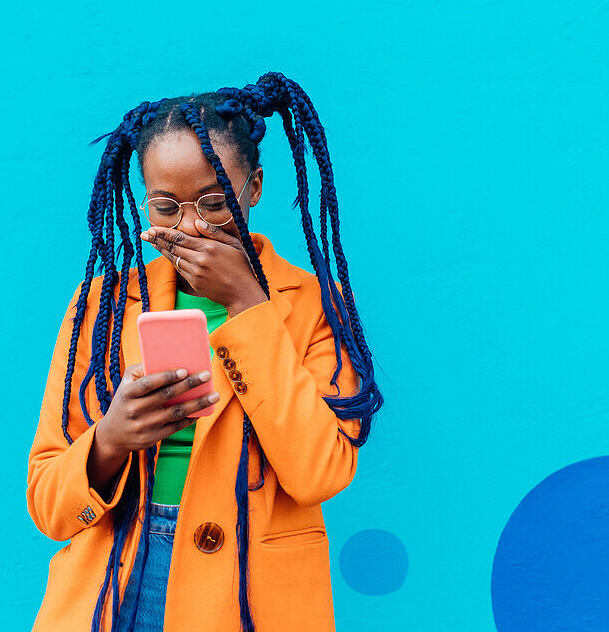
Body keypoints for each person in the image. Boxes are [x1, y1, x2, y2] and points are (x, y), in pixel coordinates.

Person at [25, 72, 383, 631]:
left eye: (214, 203)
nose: (189, 226)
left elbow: (320, 473)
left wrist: (246, 302)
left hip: (250, 595)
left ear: (255, 187)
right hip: (115, 582)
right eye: (165, 208)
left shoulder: (317, 306)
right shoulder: (102, 306)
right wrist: (111, 438)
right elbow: (48, 502)